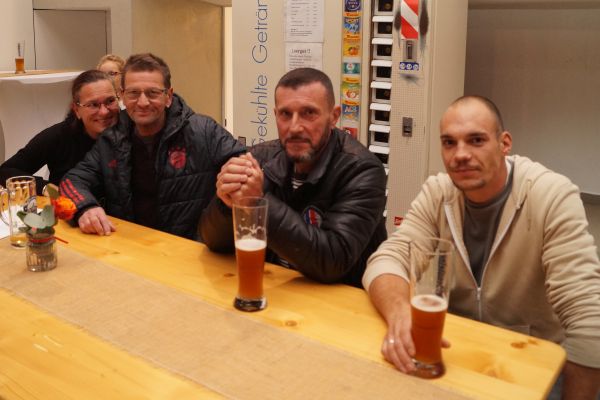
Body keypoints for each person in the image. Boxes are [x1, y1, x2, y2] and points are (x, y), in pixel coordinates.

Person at [363, 95, 600, 399]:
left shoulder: (551, 196)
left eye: (476, 140)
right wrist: (399, 313)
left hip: (532, 364)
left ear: (504, 143)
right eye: (449, 143)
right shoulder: (438, 193)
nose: (461, 154)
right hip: (456, 351)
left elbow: (589, 322)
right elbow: (387, 259)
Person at [200, 67, 387, 287]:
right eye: (285, 114)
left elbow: (332, 260)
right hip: (277, 290)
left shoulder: (362, 170)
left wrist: (259, 201)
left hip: (336, 300)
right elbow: (212, 240)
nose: (295, 127)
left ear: (334, 117)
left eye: (309, 113)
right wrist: (227, 203)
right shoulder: (261, 157)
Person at [60, 53, 244, 239]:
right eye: (133, 93)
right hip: (131, 247)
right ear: (122, 95)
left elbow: (245, 163)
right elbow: (72, 181)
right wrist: (86, 207)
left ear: (168, 96)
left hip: (191, 249)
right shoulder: (111, 138)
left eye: (152, 93)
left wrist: (235, 183)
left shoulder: (203, 130)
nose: (143, 102)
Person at [0, 70, 119, 193]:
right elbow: (6, 171)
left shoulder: (128, 129)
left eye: (110, 101)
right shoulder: (59, 136)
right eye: (93, 104)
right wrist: (46, 188)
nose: (104, 112)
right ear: (76, 110)